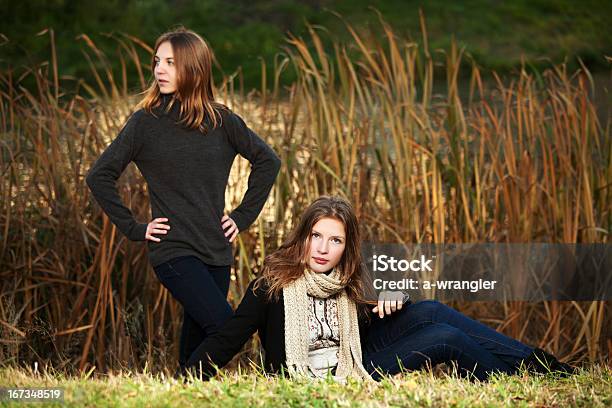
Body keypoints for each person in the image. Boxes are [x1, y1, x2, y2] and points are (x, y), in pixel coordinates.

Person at [183, 196, 576, 382]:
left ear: (346, 247)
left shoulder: (345, 281)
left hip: (354, 358)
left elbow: (359, 330)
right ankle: (521, 380)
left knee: (431, 311)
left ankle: (544, 367)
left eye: (334, 241)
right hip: (323, 379)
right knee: (445, 337)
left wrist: (395, 300)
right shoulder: (271, 284)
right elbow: (229, 338)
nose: (323, 249)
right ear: (302, 237)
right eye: (316, 236)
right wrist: (187, 380)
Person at [85, 27, 281, 375]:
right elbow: (99, 175)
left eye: (170, 63)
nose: (159, 69)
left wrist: (242, 216)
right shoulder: (145, 123)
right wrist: (134, 227)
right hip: (173, 249)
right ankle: (184, 386)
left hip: (217, 250)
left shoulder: (223, 121)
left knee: (197, 342)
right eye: (157, 61)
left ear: (193, 67)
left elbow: (269, 161)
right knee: (225, 327)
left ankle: (184, 391)